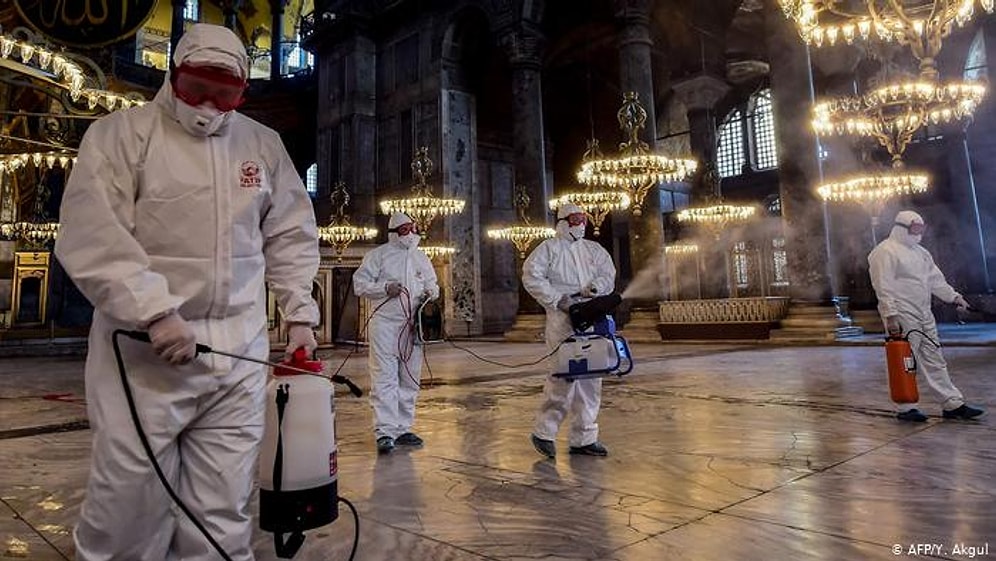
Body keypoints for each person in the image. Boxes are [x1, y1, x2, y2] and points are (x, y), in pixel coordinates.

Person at [54, 24, 320, 560]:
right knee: (129, 500)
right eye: (197, 87)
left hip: (237, 354)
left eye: (225, 94)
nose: (207, 105)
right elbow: (93, 232)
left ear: (244, 90)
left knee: (222, 504)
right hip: (144, 354)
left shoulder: (261, 145)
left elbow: (290, 232)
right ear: (173, 74)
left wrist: (299, 314)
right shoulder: (121, 135)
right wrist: (154, 311)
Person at [867, 210, 985, 423]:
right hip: (902, 314)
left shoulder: (922, 253)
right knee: (904, 361)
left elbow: (935, 281)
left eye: (921, 229)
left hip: (924, 312)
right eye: (915, 229)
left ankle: (952, 403)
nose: (919, 233)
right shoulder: (884, 252)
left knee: (935, 358)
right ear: (901, 227)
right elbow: (882, 286)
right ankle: (906, 407)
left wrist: (955, 297)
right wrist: (890, 315)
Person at [522, 203, 616, 458]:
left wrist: (597, 287)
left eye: (582, 219)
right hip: (562, 319)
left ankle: (584, 437)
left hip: (591, 315)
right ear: (562, 221)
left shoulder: (593, 249)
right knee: (564, 376)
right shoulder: (548, 249)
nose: (580, 224)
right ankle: (544, 433)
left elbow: (608, 274)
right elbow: (531, 276)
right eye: (574, 219)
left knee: (591, 378)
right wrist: (557, 299)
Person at [353, 212, 440, 453]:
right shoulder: (377, 256)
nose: (410, 234)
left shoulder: (422, 257)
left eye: (413, 228)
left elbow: (433, 284)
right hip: (385, 325)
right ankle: (385, 431)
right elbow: (359, 284)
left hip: (414, 325)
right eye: (404, 230)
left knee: (410, 377)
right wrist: (384, 288)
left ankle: (403, 428)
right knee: (385, 377)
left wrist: (431, 293)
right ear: (393, 233)